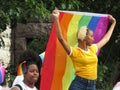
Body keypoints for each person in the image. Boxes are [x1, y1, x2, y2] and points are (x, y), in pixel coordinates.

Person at [52, 9, 116, 90]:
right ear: (85, 37)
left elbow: (106, 39)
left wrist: (113, 23)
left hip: (92, 85)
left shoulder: (93, 48)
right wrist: (57, 19)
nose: (93, 38)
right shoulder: (74, 52)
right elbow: (60, 38)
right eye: (91, 36)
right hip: (79, 84)